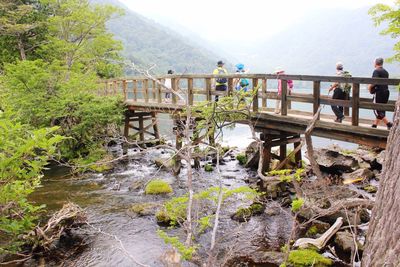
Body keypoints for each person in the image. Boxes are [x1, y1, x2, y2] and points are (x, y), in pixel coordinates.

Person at [368, 57, 393, 129]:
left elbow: (374, 82)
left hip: (379, 92)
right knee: (382, 108)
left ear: (376, 63)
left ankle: (389, 124)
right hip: (386, 92)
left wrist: (369, 87)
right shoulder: (386, 72)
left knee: (376, 108)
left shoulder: (376, 71)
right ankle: (374, 125)